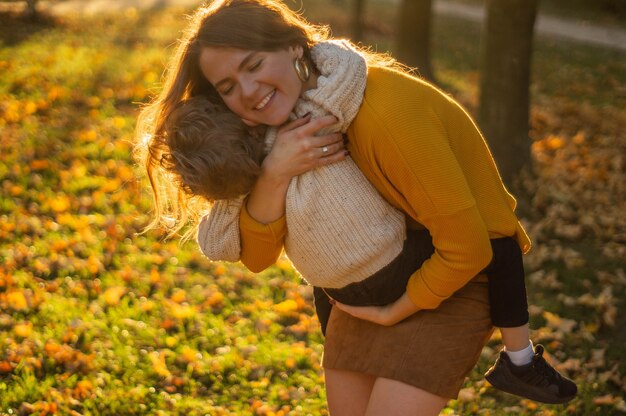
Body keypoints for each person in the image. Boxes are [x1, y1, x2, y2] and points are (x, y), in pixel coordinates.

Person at [135, 0, 577, 413]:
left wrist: (395, 311)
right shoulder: (279, 134)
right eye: (228, 87)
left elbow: (468, 248)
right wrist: (274, 173)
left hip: (450, 277)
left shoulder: (385, 111)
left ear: (292, 45)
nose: (248, 92)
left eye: (254, 64)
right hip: (363, 288)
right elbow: (256, 257)